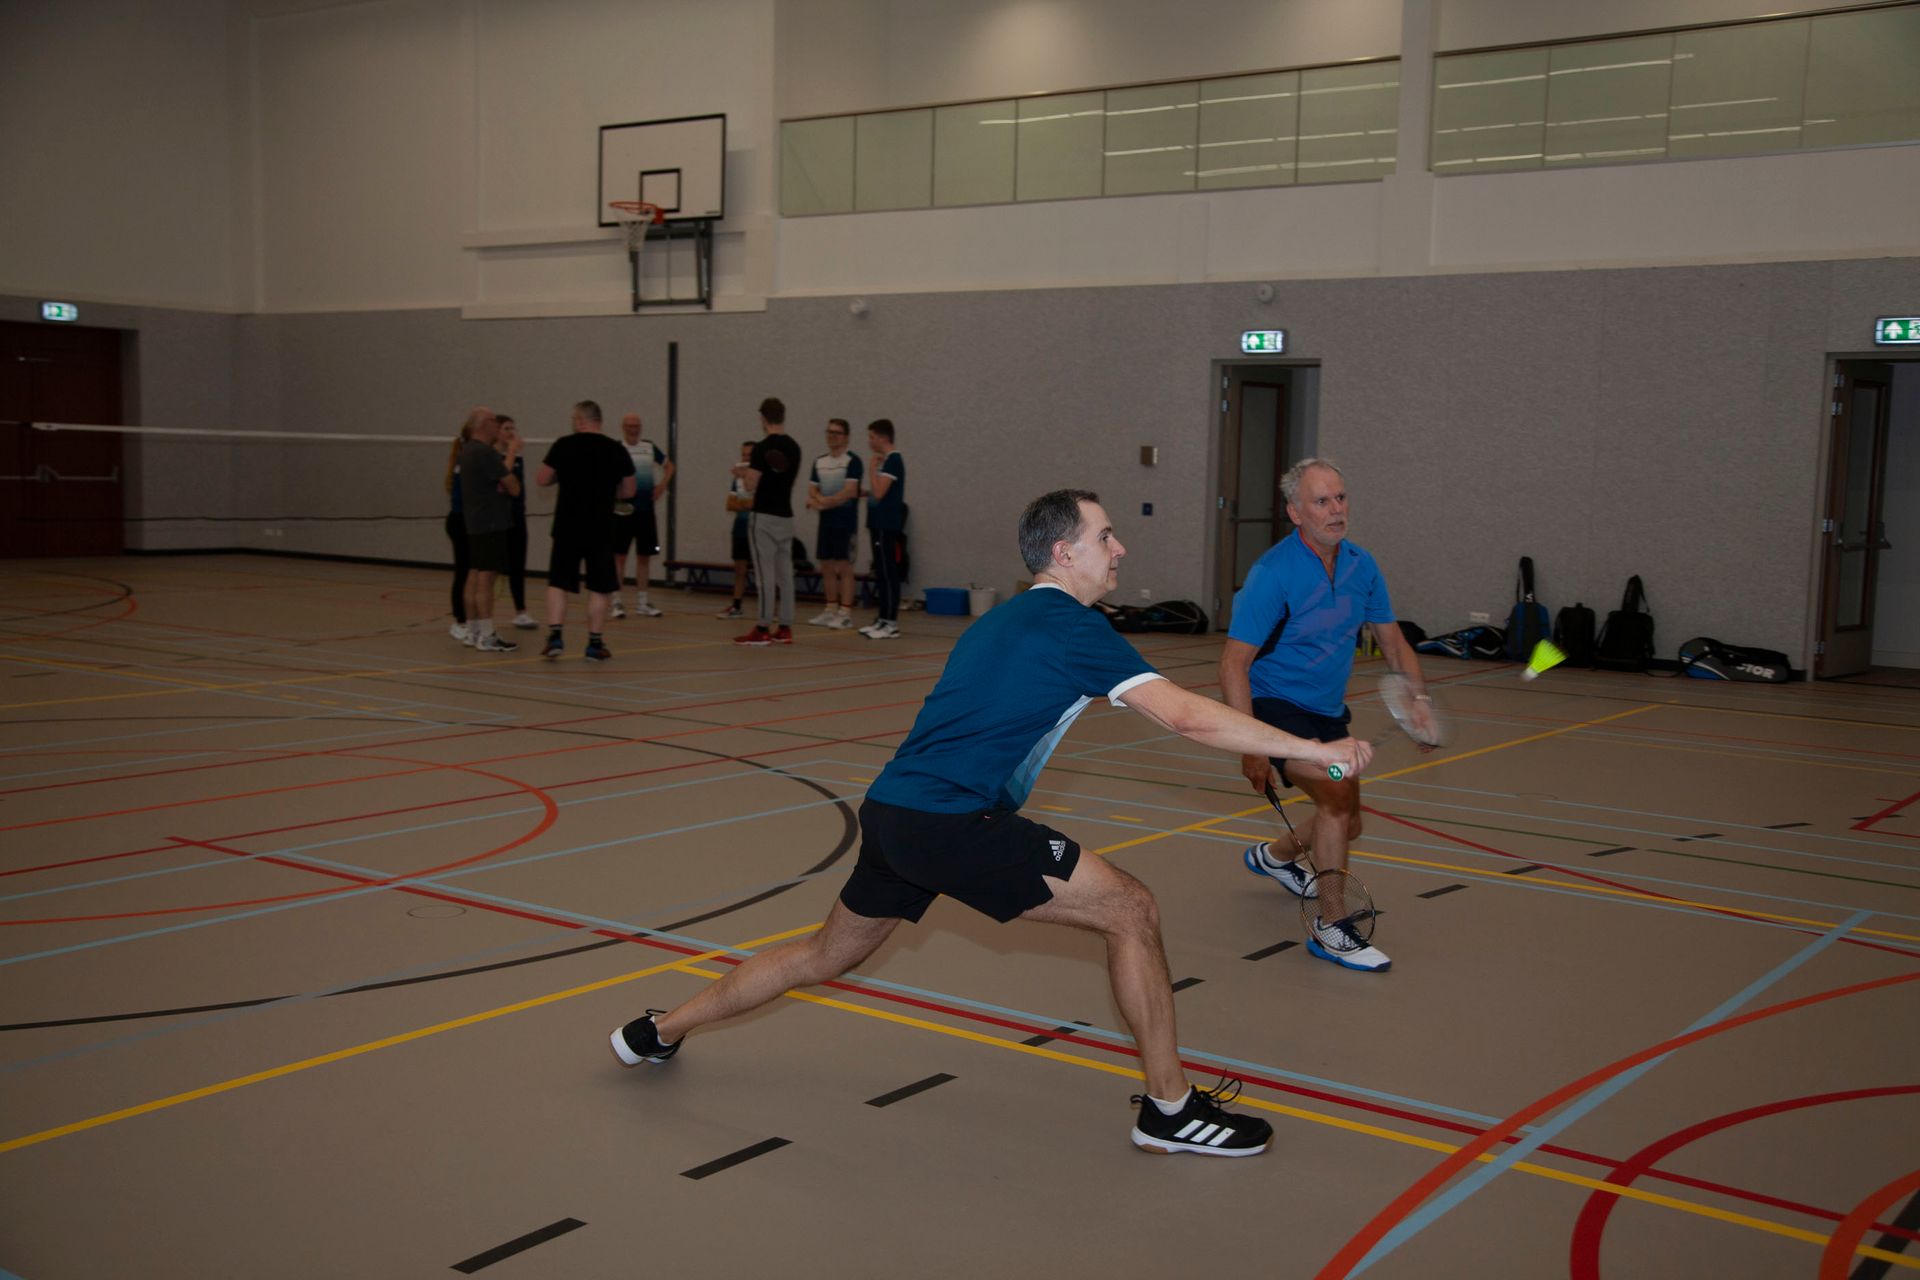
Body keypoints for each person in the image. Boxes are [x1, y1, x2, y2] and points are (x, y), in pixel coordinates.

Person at [610, 489, 1371, 1156]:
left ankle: (655, 1031)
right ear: (1064, 552)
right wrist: (1314, 750)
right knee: (1131, 908)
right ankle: (1170, 1111)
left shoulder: (1002, 622)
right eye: (1106, 536)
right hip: (950, 823)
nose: (1120, 549)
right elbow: (1184, 716)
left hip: (895, 815)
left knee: (820, 954)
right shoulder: (1068, 625)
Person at [1218, 457, 1434, 974]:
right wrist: (1250, 746)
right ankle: (1331, 927)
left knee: (1349, 822)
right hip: (1274, 709)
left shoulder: (1362, 565)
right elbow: (1233, 663)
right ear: (1296, 512)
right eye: (1321, 501)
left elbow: (1393, 642)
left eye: (1340, 497)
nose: (1336, 509)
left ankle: (1274, 857)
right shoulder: (1273, 574)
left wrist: (1419, 700)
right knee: (1336, 799)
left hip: (1327, 712)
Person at [535, 400, 636, 662]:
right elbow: (629, 490)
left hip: (567, 525)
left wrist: (563, 476)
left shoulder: (563, 445)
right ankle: (594, 643)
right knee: (599, 586)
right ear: (599, 420)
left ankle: (555, 636)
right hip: (601, 527)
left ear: (580, 420)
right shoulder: (616, 449)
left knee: (559, 582)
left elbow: (542, 478)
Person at [732, 397, 802, 646]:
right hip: (786, 517)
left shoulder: (761, 448)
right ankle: (785, 627)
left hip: (763, 517)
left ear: (763, 419)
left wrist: (743, 475)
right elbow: (782, 478)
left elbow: (752, 484)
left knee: (765, 574)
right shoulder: (795, 448)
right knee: (785, 574)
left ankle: (762, 627)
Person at [458, 408, 521, 652]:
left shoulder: (467, 450)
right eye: (495, 421)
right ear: (485, 424)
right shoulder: (485, 452)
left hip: (474, 522)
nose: (498, 425)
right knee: (486, 578)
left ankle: (472, 631)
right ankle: (486, 635)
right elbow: (513, 487)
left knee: (474, 574)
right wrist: (512, 452)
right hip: (491, 522)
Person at [613, 412, 674, 620]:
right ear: (623, 427)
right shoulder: (617, 448)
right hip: (623, 509)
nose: (634, 429)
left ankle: (642, 603)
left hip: (646, 511)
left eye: (637, 425)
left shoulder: (649, 447)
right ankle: (616, 602)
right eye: (630, 425)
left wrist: (662, 486)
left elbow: (670, 466)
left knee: (644, 556)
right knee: (619, 556)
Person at [805, 418, 864, 630]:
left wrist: (824, 502)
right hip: (826, 522)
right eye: (829, 432)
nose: (832, 436)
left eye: (837, 433)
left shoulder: (852, 461)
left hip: (845, 522)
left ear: (846, 437)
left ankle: (845, 612)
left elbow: (849, 491)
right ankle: (830, 609)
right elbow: (812, 489)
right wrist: (818, 499)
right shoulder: (819, 462)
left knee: (844, 566)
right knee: (826, 565)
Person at [860, 418, 906, 639]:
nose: (870, 441)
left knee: (888, 572)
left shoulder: (893, 461)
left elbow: (879, 493)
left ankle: (891, 622)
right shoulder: (887, 462)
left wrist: (871, 469)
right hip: (878, 524)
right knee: (881, 571)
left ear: (882, 437)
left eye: (872, 437)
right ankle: (882, 618)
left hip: (886, 525)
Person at [497, 415, 537, 631]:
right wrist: (511, 452)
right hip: (497, 520)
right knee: (490, 570)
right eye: (506, 428)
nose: (511, 433)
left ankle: (521, 612)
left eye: (513, 428)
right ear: (496, 432)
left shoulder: (518, 458)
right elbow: (501, 482)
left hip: (517, 517)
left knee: (518, 566)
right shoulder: (492, 457)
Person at [444, 415, 477, 646]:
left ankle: (471, 620)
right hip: (460, 522)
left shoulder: (469, 458)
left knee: (470, 573)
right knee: (463, 572)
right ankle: (459, 621)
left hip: (470, 522)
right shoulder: (465, 461)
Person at [715, 439, 755, 620]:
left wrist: (743, 503)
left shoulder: (761, 478)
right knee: (739, 570)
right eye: (743, 455)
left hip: (757, 529)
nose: (746, 459)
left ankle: (772, 609)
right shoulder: (737, 480)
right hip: (740, 528)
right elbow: (730, 504)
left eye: (749, 455)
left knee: (765, 571)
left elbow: (760, 504)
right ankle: (737, 605)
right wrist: (747, 504)